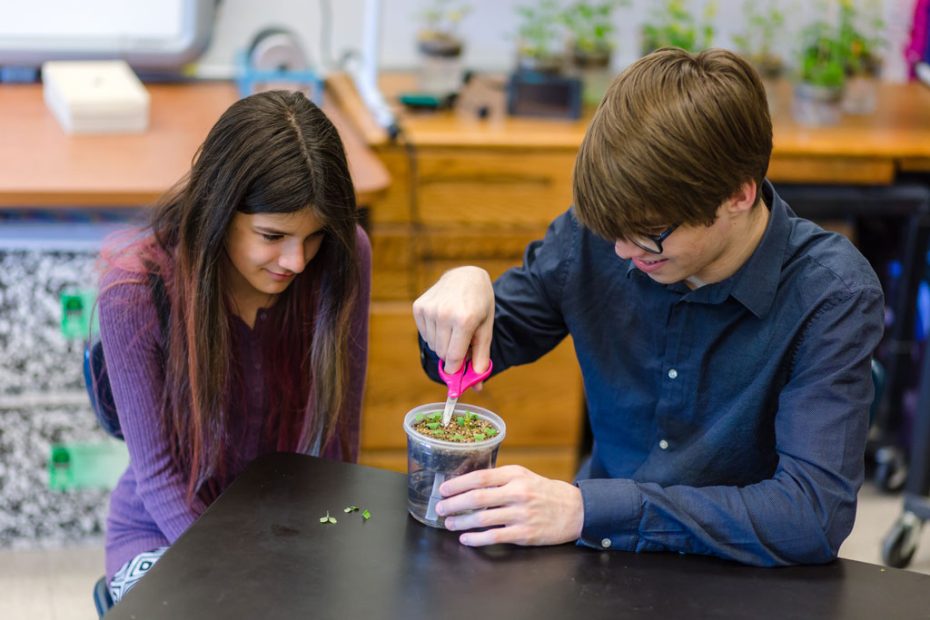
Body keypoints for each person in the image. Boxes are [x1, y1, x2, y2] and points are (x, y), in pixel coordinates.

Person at [412, 48, 884, 566]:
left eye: (650, 236)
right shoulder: (602, 236)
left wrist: (589, 510)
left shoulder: (831, 296)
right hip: (597, 560)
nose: (623, 253)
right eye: (612, 232)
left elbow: (810, 516)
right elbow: (467, 356)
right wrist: (459, 296)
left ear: (739, 196)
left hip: (741, 577)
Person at [97, 90, 371, 601]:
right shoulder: (132, 291)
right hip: (163, 530)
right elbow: (158, 479)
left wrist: (329, 548)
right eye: (272, 235)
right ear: (219, 210)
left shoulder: (344, 254)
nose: (296, 260)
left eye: (313, 238)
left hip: (290, 527)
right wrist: (246, 574)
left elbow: (339, 439)